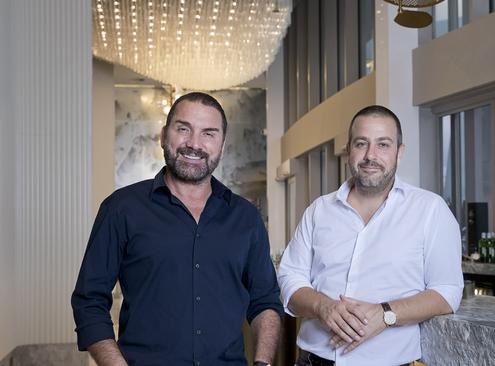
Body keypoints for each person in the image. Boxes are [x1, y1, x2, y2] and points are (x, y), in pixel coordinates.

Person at [72, 92, 282, 366]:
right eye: (183, 129)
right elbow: (89, 302)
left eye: (208, 133)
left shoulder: (246, 218)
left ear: (222, 145)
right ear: (163, 135)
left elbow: (265, 301)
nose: (194, 144)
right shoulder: (120, 209)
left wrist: (263, 363)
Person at [277, 105, 464, 366]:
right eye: (361, 143)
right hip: (312, 360)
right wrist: (323, 307)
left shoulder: (430, 210)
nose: (370, 155)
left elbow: (447, 291)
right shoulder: (318, 211)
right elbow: (289, 278)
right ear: (348, 150)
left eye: (383, 145)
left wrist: (386, 314)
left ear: (400, 152)